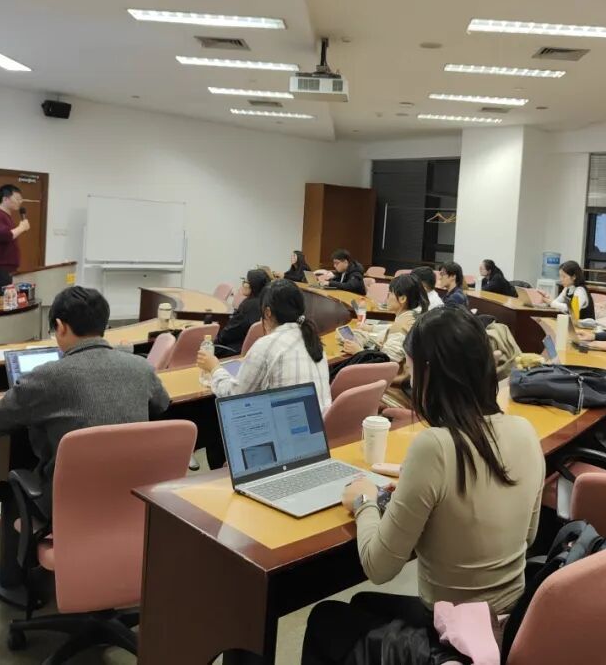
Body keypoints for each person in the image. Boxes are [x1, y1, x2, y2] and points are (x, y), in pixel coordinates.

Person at [301, 307, 544, 663]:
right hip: (508, 625)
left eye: (412, 371)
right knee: (362, 604)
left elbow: (379, 568)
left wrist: (365, 503)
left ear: (429, 374)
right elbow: (529, 536)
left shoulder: (435, 446)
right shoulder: (525, 431)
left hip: (452, 635)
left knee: (326, 618)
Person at [0, 286, 169, 517]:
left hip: (68, 502)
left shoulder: (47, 376)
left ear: (60, 326)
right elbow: (162, 404)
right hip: (131, 495)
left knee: (13, 490)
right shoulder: (141, 367)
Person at [197, 279, 332, 410]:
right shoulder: (313, 340)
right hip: (322, 423)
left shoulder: (267, 345)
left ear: (267, 313)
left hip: (288, 424)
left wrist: (214, 368)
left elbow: (235, 396)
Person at [342, 274, 428, 408]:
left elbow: (385, 366)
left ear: (402, 298)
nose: (386, 298)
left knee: (344, 384)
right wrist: (366, 332)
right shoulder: (411, 317)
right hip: (412, 386)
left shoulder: (402, 326)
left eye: (389, 294)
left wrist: (359, 352)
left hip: (398, 389)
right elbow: (386, 332)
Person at [0, 184, 30, 295]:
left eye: (21, 199)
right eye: (17, 198)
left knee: (8, 301)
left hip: (6, 269)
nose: (20, 202)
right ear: (5, 199)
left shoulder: (6, 217)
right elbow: (3, 235)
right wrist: (21, 227)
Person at [213, 269, 269, 357]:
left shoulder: (248, 306)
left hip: (234, 349)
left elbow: (228, 334)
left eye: (245, 282)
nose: (243, 284)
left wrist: (215, 339)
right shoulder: (266, 302)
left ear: (253, 285)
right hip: (252, 348)